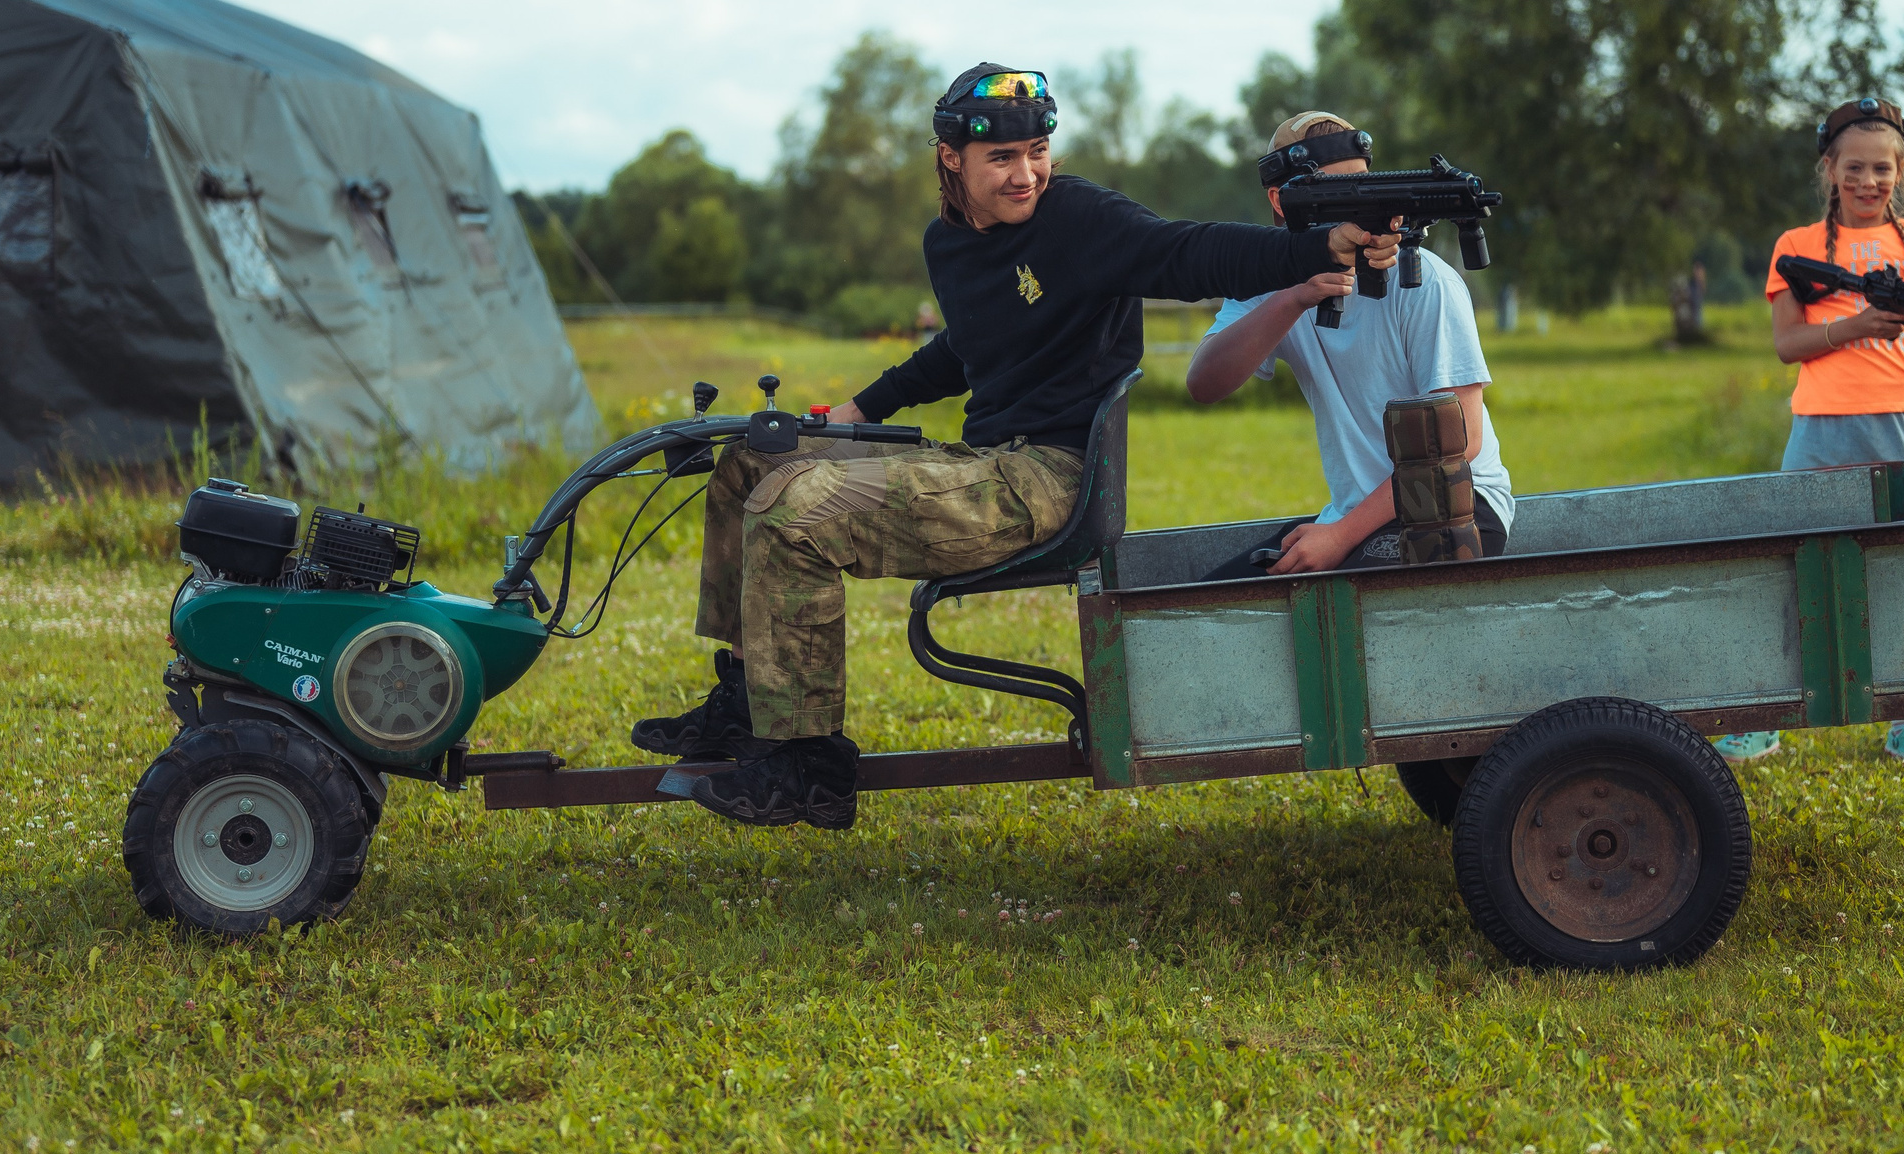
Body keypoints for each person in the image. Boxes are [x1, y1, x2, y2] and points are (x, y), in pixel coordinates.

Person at [630, 66, 1401, 829]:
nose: (1026, 173)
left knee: (799, 508)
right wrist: (857, 411)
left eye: (1036, 151)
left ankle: (806, 765)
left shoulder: (1080, 220)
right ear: (950, 159)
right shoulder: (951, 244)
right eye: (1002, 158)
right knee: (750, 463)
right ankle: (744, 696)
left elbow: (1186, 252)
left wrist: (1315, 249)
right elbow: (963, 346)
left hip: (1047, 480)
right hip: (983, 463)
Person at [1713, 96, 1904, 769]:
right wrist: (1854, 327)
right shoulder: (1797, 248)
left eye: (1883, 169)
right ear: (1829, 168)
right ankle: (1764, 717)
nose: (1869, 182)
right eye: (1855, 168)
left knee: (1901, 566)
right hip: (1817, 427)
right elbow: (1787, 344)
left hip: (1896, 425)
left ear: (1902, 172)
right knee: (1789, 566)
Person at [1182, 113, 1513, 572]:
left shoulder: (1426, 282)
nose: (1358, 211)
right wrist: (1297, 295)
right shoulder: (1270, 280)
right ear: (1281, 200)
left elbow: (1462, 440)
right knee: (1221, 597)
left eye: (1365, 190)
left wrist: (1340, 536)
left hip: (1458, 504)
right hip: (1358, 517)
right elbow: (1204, 383)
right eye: (1335, 196)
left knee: (1351, 586)